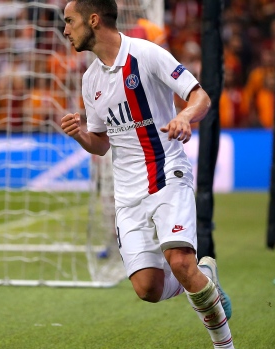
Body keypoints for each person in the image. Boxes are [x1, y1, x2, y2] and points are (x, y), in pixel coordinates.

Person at [60, 1, 234, 348]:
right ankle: (204, 278)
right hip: (127, 194)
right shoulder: (90, 79)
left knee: (181, 261)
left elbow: (200, 96)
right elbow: (102, 144)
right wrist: (80, 134)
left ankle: (224, 345)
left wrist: (185, 116)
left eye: (70, 21)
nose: (65, 30)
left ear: (93, 20)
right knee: (148, 289)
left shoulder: (147, 54)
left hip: (167, 173)